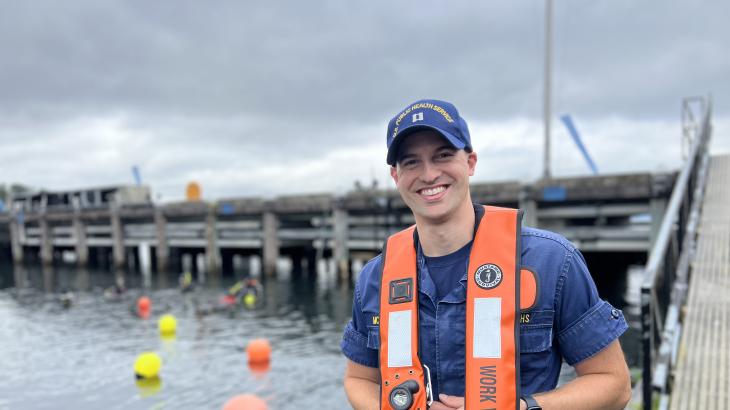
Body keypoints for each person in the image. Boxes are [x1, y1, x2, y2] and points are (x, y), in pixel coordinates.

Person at [340, 99, 631, 410]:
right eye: (411, 162)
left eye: (443, 155)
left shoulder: (552, 262)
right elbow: (360, 379)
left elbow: (614, 384)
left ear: (471, 162)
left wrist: (522, 407)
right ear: (396, 177)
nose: (428, 174)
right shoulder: (376, 276)